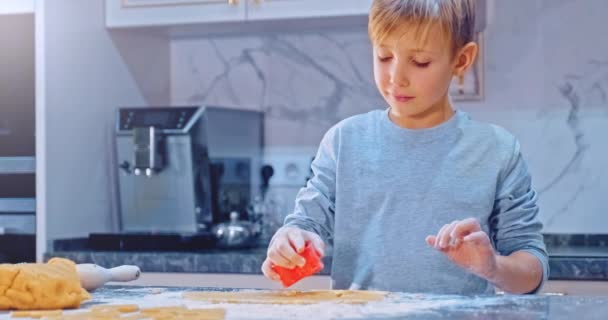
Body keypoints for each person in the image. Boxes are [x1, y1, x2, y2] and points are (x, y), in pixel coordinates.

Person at [261, 0, 548, 295]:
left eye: (420, 61)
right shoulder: (343, 141)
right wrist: (289, 242)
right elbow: (305, 224)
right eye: (384, 56)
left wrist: (493, 267)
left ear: (461, 60)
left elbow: (531, 265)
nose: (396, 78)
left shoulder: (497, 151)